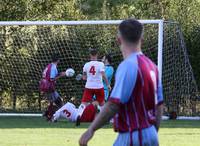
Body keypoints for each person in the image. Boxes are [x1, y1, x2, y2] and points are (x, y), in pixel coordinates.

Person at [79, 19, 164, 146]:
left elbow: (114, 104)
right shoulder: (152, 66)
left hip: (132, 135)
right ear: (142, 39)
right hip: (150, 134)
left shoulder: (128, 66)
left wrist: (91, 129)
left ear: (119, 39)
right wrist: (152, 132)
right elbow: (159, 106)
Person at [40, 53, 66, 121]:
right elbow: (51, 79)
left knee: (54, 101)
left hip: (45, 86)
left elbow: (50, 75)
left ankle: (48, 114)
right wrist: (61, 76)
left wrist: (60, 73)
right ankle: (50, 116)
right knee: (59, 102)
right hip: (49, 87)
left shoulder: (49, 65)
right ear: (58, 60)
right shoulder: (53, 67)